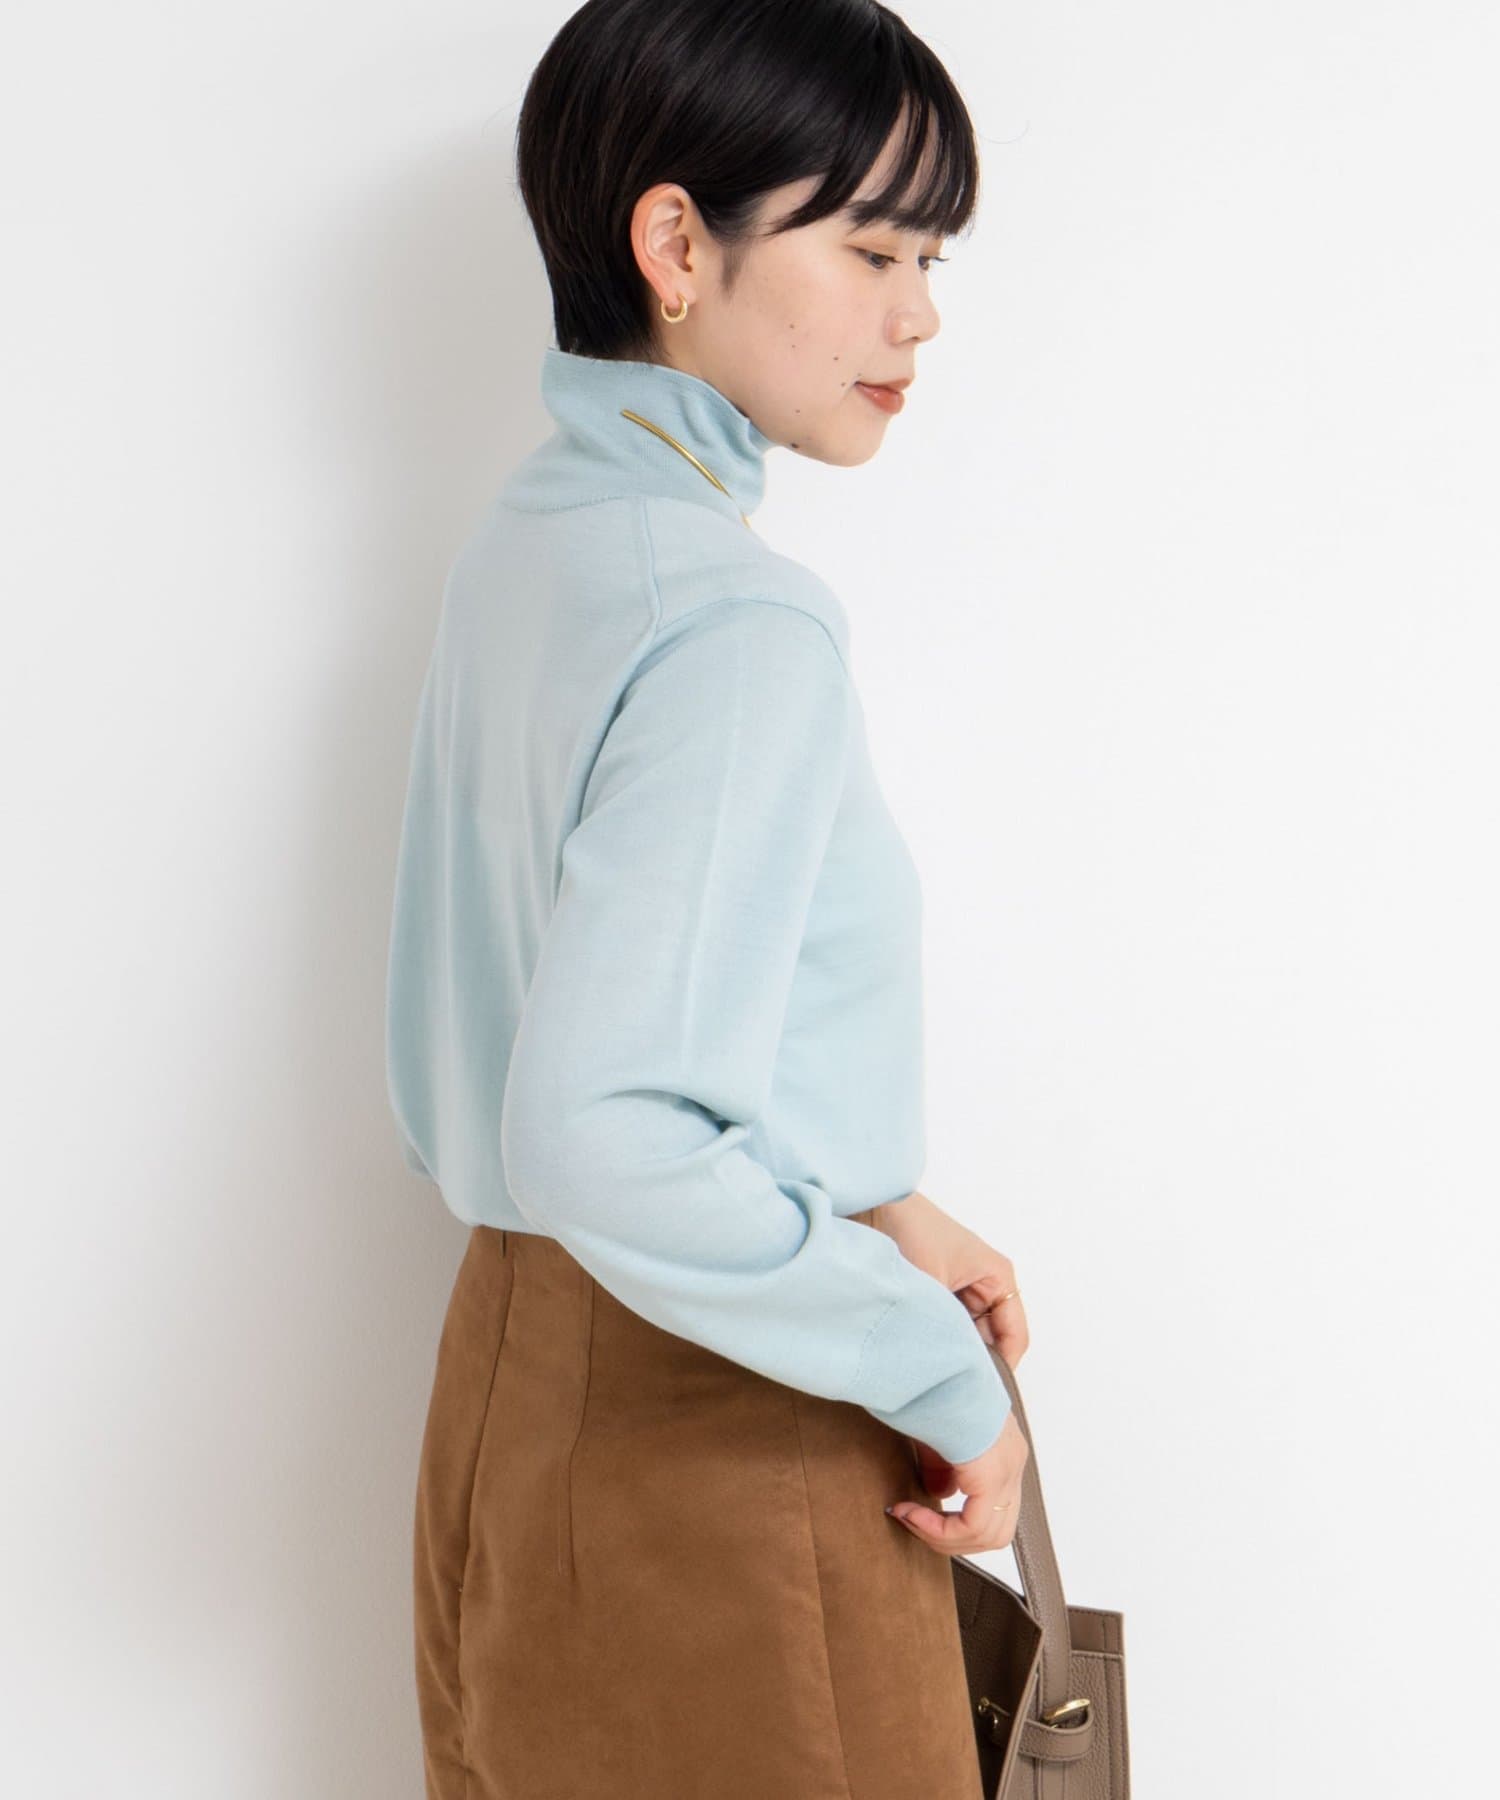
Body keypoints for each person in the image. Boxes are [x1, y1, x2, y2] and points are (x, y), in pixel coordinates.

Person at [385, 1, 1033, 1793]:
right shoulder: (735, 624)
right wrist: (935, 1369)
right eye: (874, 248)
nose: (919, 314)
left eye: (931, 259)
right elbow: (602, 1126)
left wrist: (872, 1194)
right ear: (675, 245)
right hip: (721, 1432)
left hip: (509, 1395)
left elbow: (533, 1058)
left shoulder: (533, 547)